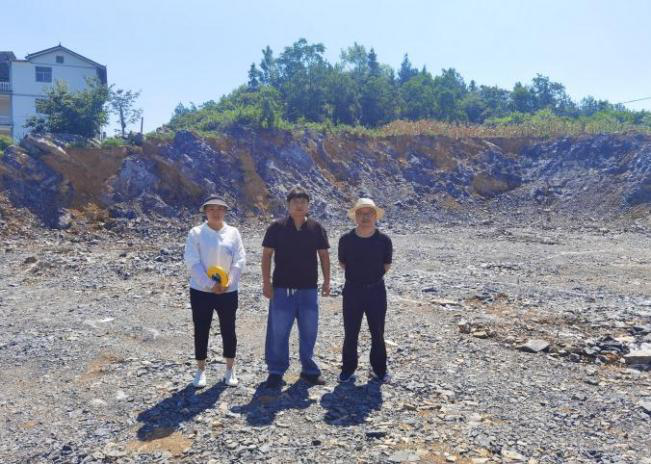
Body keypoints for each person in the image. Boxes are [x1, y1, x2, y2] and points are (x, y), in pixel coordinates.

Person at [261, 187, 330, 388]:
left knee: (309, 331)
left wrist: (327, 281)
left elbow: (324, 256)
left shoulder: (316, 228)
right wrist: (266, 282)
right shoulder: (276, 227)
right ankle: (276, 371)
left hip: (309, 289)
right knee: (278, 332)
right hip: (282, 289)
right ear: (288, 205)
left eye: (303, 202)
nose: (299, 206)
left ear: (308, 205)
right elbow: (267, 255)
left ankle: (309, 370)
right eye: (295, 202)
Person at [183, 195, 246, 388]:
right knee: (201, 329)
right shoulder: (196, 233)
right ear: (205, 211)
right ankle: (200, 370)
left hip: (228, 290)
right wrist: (210, 284)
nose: (216, 212)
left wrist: (229, 282)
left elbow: (239, 260)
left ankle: (230, 369)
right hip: (201, 291)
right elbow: (192, 261)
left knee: (229, 329)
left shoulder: (233, 233)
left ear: (225, 211)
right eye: (211, 209)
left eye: (220, 209)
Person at [337, 198, 393, 384]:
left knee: (378, 332)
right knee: (350, 332)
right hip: (352, 291)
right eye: (361, 213)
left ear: (375, 216)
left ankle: (379, 369)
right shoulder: (346, 240)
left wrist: (370, 278)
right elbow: (343, 263)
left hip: (376, 291)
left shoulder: (384, 240)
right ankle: (348, 369)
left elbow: (386, 265)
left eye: (369, 213)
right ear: (355, 216)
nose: (365, 217)